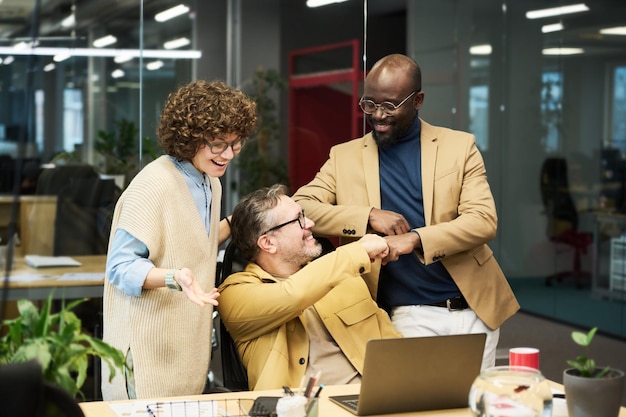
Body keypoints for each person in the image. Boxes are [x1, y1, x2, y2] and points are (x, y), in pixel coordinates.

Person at [293, 53, 519, 370]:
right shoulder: (345, 157)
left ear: (418, 100)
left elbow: (482, 222)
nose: (378, 115)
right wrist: (368, 215)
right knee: (417, 401)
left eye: (390, 105)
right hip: (407, 311)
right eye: (369, 104)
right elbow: (301, 205)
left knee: (475, 405)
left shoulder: (459, 146)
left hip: (475, 307)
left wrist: (414, 239)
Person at [101, 80, 258, 400]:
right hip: (146, 353)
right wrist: (174, 277)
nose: (228, 154)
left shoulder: (210, 184)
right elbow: (120, 267)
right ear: (189, 138)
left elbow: (191, 243)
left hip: (184, 350)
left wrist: (236, 223)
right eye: (218, 143)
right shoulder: (153, 185)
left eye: (235, 143)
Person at [217, 184, 402, 390]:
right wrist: (358, 250)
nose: (311, 223)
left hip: (372, 400)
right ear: (268, 243)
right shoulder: (234, 293)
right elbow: (293, 295)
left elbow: (392, 346)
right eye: (298, 219)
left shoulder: (343, 277)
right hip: (299, 409)